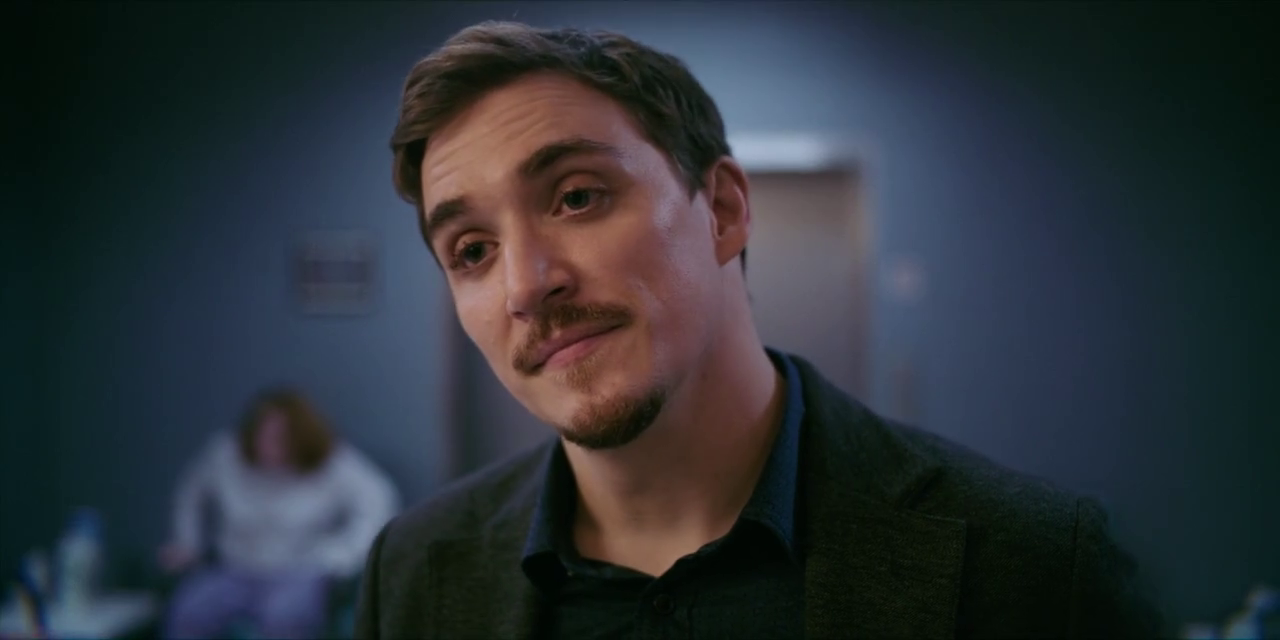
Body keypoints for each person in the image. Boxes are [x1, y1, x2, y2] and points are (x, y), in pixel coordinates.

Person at [356, 21, 1165, 638]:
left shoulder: (1034, 566)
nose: (527, 285)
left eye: (577, 198)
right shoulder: (413, 573)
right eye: (472, 250)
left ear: (722, 210)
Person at [160, 387, 400, 639]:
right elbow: (190, 494)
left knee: (287, 618)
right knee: (188, 612)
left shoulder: (332, 463)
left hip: (298, 571)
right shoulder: (225, 454)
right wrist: (188, 542)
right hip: (234, 567)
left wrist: (340, 557)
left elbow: (379, 501)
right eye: (262, 434)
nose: (268, 445)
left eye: (280, 437)